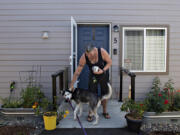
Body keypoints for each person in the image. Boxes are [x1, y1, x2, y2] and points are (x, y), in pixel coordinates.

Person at [69, 44, 112, 122]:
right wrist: (72, 84)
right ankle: (90, 113)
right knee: (91, 93)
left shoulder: (101, 52)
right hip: (93, 76)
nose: (89, 57)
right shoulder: (84, 57)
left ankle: (104, 111)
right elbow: (77, 72)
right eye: (87, 55)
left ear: (94, 51)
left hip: (103, 74)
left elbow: (109, 62)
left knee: (104, 92)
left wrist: (103, 70)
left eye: (91, 55)